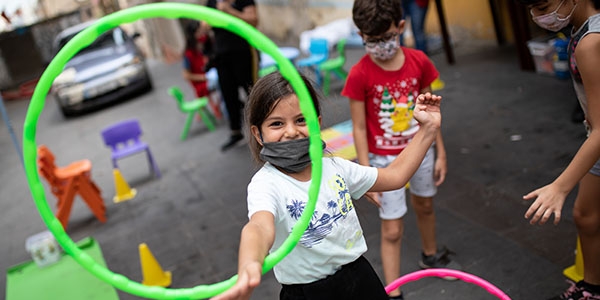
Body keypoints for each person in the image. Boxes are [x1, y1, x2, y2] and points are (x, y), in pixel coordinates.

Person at [211, 71, 443, 300]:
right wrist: (250, 263)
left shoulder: (334, 167)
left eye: (301, 120)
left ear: (317, 124)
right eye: (277, 123)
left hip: (359, 278)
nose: (291, 132)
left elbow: (395, 176)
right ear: (258, 134)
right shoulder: (265, 184)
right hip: (306, 293)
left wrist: (428, 129)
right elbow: (259, 227)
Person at [342, 1, 461, 299]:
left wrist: (441, 152)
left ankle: (430, 254)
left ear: (401, 27)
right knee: (392, 229)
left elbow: (433, 116)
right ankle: (393, 293)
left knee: (425, 205)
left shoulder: (419, 61)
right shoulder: (359, 74)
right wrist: (366, 172)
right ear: (361, 35)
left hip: (421, 152)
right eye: (372, 40)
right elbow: (358, 127)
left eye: (386, 37)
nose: (381, 46)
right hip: (383, 162)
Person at [516, 0, 600, 299]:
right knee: (586, 215)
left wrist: (560, 187)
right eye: (533, 9)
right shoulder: (581, 30)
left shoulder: (591, 42)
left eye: (543, 6)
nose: (539, 17)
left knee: (586, 213)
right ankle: (592, 287)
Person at [206, 0, 259, 151]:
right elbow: (204, 25)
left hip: (244, 53)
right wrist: (206, 23)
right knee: (228, 95)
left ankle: (267, 124)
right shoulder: (212, 2)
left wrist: (230, 11)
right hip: (222, 57)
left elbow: (254, 21)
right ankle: (236, 132)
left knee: (253, 92)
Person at [182, 21, 212, 99]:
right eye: (199, 31)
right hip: (202, 85)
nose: (202, 34)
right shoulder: (189, 54)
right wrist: (204, 77)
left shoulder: (204, 46)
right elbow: (186, 75)